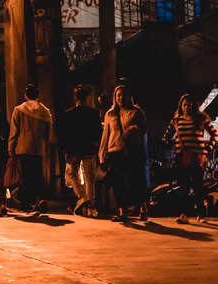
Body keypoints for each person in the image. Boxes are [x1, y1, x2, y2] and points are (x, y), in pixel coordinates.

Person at [164, 93, 218, 224]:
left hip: (197, 157)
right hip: (182, 157)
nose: (187, 107)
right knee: (184, 187)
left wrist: (209, 148)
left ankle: (201, 215)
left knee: (198, 186)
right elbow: (166, 137)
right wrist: (172, 145)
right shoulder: (176, 121)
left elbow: (214, 134)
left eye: (189, 104)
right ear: (181, 106)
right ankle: (183, 214)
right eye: (184, 104)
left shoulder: (201, 119)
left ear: (194, 106)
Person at [99, 84, 148, 222]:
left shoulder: (136, 112)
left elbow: (144, 129)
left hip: (132, 150)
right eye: (118, 95)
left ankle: (143, 209)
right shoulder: (110, 114)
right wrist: (102, 156)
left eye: (123, 94)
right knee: (118, 183)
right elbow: (105, 135)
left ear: (129, 96)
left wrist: (134, 128)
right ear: (115, 97)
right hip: (114, 151)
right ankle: (123, 213)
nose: (121, 97)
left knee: (135, 181)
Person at [8, 84, 53, 213]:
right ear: (38, 96)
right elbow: (48, 134)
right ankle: (38, 200)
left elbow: (14, 131)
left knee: (25, 177)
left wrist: (11, 148)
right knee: (37, 175)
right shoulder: (45, 112)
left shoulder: (19, 110)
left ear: (25, 96)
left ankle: (27, 203)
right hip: (38, 149)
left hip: (22, 149)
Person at [61, 85, 102, 217]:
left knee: (71, 174)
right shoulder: (94, 114)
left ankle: (80, 197)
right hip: (89, 149)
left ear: (75, 98)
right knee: (90, 178)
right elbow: (98, 134)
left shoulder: (68, 114)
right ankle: (91, 206)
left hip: (73, 150)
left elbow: (65, 134)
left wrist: (66, 150)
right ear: (87, 98)